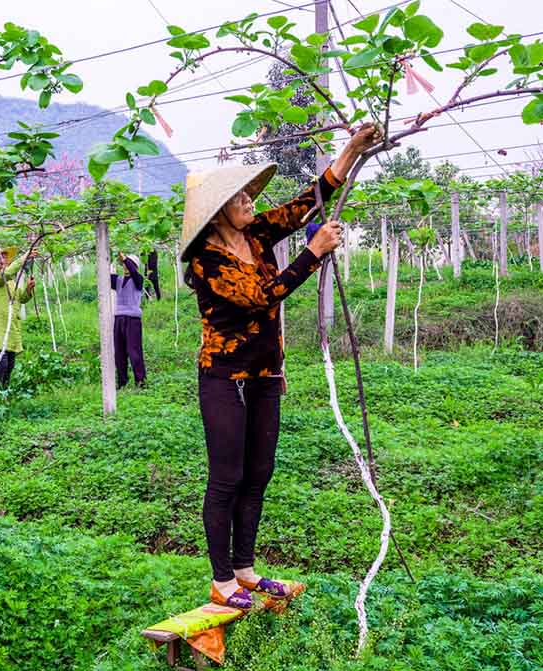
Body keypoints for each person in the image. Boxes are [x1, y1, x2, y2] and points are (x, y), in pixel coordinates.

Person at [180, 124, 382, 610]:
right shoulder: (208, 259)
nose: (251, 200)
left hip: (266, 375)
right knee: (226, 477)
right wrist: (313, 255)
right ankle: (222, 579)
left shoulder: (257, 234)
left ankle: (245, 569)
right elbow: (258, 298)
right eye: (241, 197)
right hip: (224, 377)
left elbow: (306, 202)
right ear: (216, 213)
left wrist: (351, 150)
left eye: (249, 193)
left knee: (259, 472)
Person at [0, 246, 37, 390]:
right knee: (1, 361)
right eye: (0, 257)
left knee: (10, 363)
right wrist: (24, 258)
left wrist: (28, 289)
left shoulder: (9, 280)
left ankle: (3, 393)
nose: (3, 260)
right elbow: (6, 274)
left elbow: (20, 298)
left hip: (9, 324)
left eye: (4, 257)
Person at [111, 252, 146, 388]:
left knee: (134, 351)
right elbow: (104, 275)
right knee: (119, 352)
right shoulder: (118, 280)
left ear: (135, 267)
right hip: (118, 318)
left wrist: (125, 259)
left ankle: (141, 382)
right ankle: (122, 382)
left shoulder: (138, 280)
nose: (125, 267)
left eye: (127, 264)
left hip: (132, 320)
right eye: (123, 265)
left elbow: (131, 268)